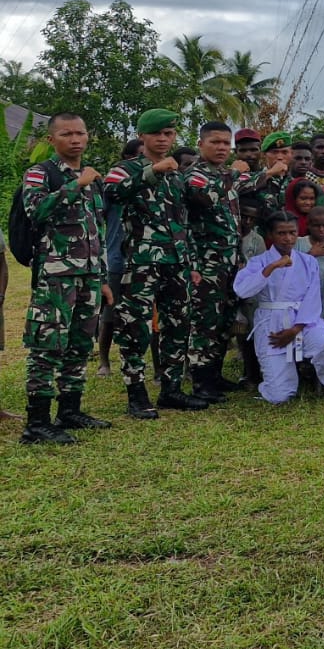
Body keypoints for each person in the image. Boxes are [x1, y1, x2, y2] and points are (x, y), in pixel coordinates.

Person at [15, 113, 113, 444]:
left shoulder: (94, 178)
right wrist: (77, 184)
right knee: (47, 346)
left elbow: (96, 231)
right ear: (51, 139)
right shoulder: (40, 174)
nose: (75, 139)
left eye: (81, 133)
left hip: (88, 276)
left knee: (80, 344)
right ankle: (37, 423)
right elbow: (37, 211)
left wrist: (101, 277)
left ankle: (70, 410)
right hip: (55, 277)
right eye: (67, 133)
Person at [105, 108, 209, 417]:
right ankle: (136, 395)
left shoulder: (177, 175)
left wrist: (190, 263)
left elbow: (182, 221)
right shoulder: (125, 168)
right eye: (156, 134)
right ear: (142, 136)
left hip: (175, 262)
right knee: (134, 329)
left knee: (178, 325)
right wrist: (153, 171)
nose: (163, 139)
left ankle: (171, 390)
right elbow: (111, 193)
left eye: (169, 134)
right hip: (139, 263)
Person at [183, 121, 268, 401]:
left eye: (225, 143)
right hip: (205, 263)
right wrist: (233, 173)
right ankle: (201, 382)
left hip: (229, 262)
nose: (222, 148)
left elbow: (248, 183)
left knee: (223, 323)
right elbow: (203, 197)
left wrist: (271, 172)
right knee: (205, 324)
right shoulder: (196, 174)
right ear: (201, 144)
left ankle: (215, 376)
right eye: (215, 142)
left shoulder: (224, 174)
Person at [232, 214, 324, 403]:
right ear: (270, 234)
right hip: (271, 322)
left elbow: (312, 298)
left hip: (304, 321)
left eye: (292, 233)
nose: (287, 238)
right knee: (280, 396)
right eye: (281, 233)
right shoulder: (259, 262)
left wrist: (296, 329)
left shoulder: (308, 261)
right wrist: (271, 268)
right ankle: (276, 381)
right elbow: (243, 291)